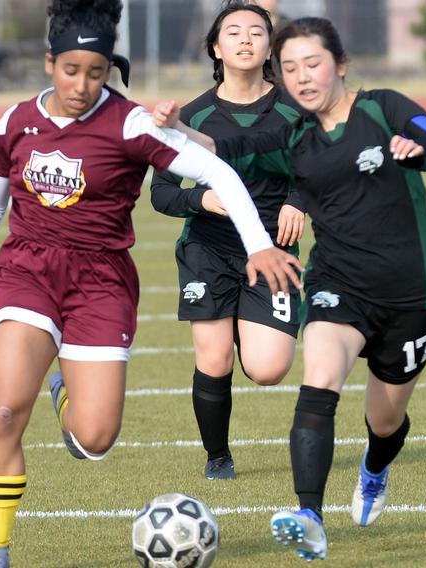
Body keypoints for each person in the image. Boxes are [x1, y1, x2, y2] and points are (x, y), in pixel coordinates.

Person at [0, 1, 302, 566]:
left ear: (109, 68)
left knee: (95, 438)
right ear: (49, 63)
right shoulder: (14, 122)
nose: (83, 85)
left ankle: (66, 393)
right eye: (71, 71)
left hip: (101, 282)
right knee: (6, 410)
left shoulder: (131, 123)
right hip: (29, 272)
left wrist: (258, 243)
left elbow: (219, 174)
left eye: (96, 72)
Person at [154, 16, 426, 562]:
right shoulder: (294, 134)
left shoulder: (383, 106)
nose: (301, 76)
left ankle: (373, 469)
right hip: (335, 284)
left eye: (311, 64)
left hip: (409, 295)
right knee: (318, 379)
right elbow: (228, 142)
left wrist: (419, 150)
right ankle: (310, 516)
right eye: (291, 68)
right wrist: (174, 128)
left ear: (340, 65)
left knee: (384, 421)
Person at [150, 0, 306, 482]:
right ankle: (218, 457)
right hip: (208, 248)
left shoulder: (293, 110)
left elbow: (322, 168)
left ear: (269, 46)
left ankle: (246, 319)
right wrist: (203, 200)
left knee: (267, 368)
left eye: (256, 32)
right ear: (216, 47)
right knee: (214, 357)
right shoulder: (191, 117)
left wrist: (299, 201)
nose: (244, 39)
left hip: (271, 250)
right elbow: (161, 194)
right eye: (233, 31)